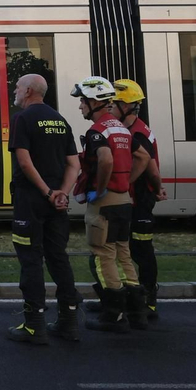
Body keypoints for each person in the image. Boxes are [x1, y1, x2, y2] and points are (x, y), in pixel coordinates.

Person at [4, 74, 82, 345]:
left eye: (17, 87)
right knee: (58, 258)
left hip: (30, 201)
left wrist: (47, 193)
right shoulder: (60, 120)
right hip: (57, 203)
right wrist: (62, 194)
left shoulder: (22, 119)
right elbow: (74, 164)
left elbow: (25, 163)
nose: (14, 91)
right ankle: (68, 322)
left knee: (31, 259)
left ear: (28, 91)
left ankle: (34, 325)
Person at [71, 76, 146, 333]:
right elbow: (143, 157)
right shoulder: (121, 128)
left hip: (104, 203)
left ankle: (113, 315)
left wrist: (101, 188)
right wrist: (125, 182)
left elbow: (105, 159)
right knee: (124, 255)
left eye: (82, 101)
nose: (80, 106)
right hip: (124, 200)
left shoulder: (97, 131)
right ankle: (137, 313)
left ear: (94, 102)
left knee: (103, 256)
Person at [113, 79, 167, 322]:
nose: (109, 108)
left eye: (113, 104)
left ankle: (149, 300)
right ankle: (124, 298)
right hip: (133, 199)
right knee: (124, 249)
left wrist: (156, 188)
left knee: (142, 250)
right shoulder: (130, 129)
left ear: (126, 106)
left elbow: (150, 168)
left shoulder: (138, 133)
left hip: (140, 200)